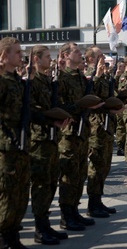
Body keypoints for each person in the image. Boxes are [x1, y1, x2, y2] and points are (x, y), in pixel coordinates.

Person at [57, 42, 104, 231]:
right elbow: (60, 105)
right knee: (69, 174)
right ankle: (66, 215)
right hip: (69, 132)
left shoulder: (79, 77)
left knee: (80, 172)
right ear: (66, 55)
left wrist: (98, 78)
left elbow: (91, 96)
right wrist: (81, 106)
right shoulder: (63, 78)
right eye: (76, 52)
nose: (80, 55)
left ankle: (75, 211)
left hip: (82, 131)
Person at [29, 45, 71, 244]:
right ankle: (39, 228)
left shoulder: (47, 80)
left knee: (51, 182)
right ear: (36, 59)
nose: (50, 60)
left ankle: (46, 225)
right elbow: (33, 108)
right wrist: (51, 118)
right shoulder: (33, 82)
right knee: (41, 183)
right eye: (47, 57)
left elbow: (58, 99)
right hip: (39, 139)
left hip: (51, 136)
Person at [0, 36, 33, 248]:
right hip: (5, 148)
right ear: (4, 56)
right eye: (17, 52)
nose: (21, 56)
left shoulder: (17, 81)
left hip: (21, 145)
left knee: (21, 195)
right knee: (7, 195)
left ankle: (13, 236)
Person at [84, 46, 123, 218]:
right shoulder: (89, 74)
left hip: (106, 124)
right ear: (92, 59)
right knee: (96, 165)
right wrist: (98, 76)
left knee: (105, 165)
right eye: (100, 56)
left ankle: (98, 200)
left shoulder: (104, 73)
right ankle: (92, 204)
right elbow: (89, 95)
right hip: (96, 126)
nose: (103, 58)